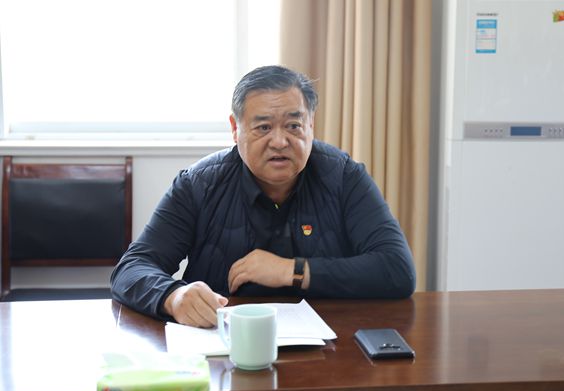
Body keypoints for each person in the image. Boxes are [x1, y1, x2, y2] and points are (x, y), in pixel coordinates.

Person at [111, 65, 416, 328]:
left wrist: (292, 270)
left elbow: (397, 269)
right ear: (235, 129)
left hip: (329, 345)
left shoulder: (343, 177)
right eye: (264, 127)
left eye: (294, 126)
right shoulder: (199, 185)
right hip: (221, 342)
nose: (280, 141)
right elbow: (132, 267)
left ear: (311, 125)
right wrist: (173, 296)